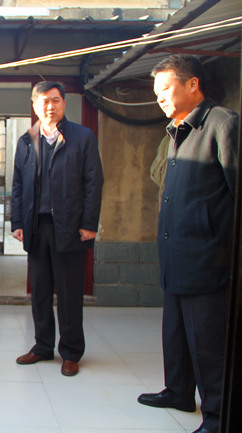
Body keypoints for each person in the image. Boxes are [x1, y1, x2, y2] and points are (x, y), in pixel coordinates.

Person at [137, 54, 238, 433]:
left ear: (192, 84)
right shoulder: (178, 129)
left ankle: (218, 416)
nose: (159, 97)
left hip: (206, 258)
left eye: (165, 88)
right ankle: (178, 391)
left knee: (208, 343)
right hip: (176, 255)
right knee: (176, 333)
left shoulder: (222, 125)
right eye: (156, 92)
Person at [11, 81, 104, 377]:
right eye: (43, 101)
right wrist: (17, 222)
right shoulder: (27, 140)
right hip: (36, 227)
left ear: (64, 103)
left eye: (55, 100)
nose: (49, 106)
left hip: (70, 227)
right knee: (39, 292)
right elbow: (18, 184)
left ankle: (71, 352)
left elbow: (94, 182)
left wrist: (89, 224)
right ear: (35, 105)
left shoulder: (82, 137)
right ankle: (42, 346)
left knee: (69, 293)